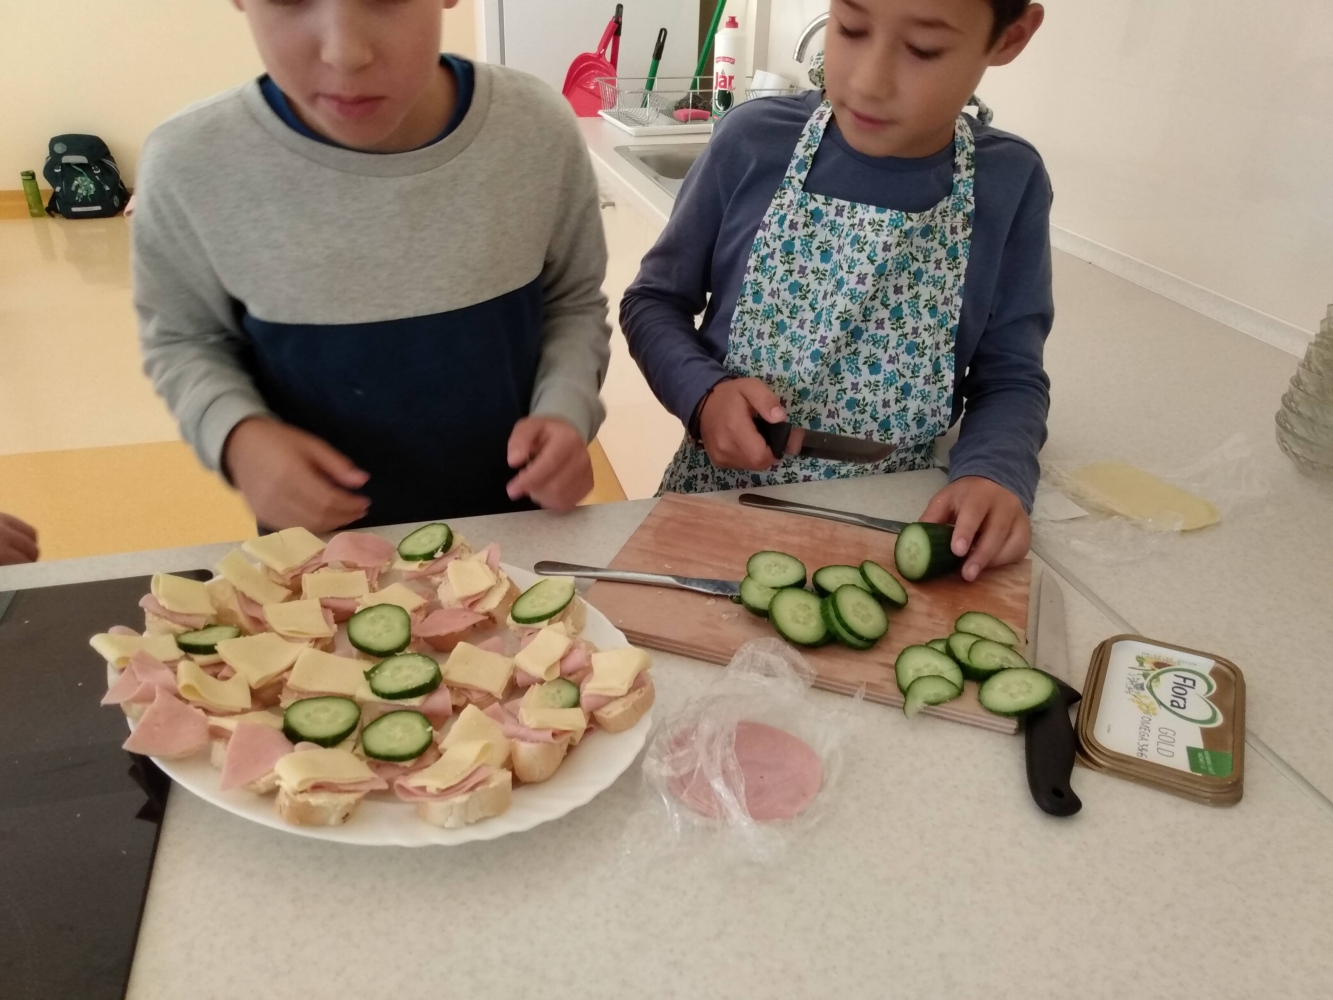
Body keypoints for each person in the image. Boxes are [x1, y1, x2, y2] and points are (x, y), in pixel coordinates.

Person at [134, 0, 611, 532]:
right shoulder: (189, 163)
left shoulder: (536, 129)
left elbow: (572, 301)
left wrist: (566, 407)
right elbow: (184, 339)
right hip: (321, 553)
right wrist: (237, 435)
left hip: (520, 533)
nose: (346, 53)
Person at [621, 0, 1050, 582]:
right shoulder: (753, 141)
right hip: (719, 501)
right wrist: (702, 395)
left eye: (923, 49)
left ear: (1010, 37)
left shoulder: (1009, 181)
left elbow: (1011, 376)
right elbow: (651, 303)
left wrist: (994, 471)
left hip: (897, 516)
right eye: (849, 28)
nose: (869, 82)